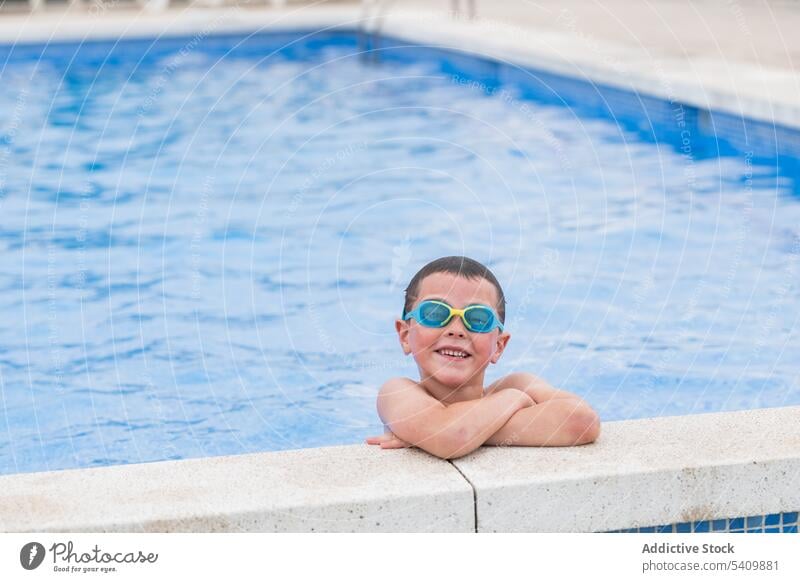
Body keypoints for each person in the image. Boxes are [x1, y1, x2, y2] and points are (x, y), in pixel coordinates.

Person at [366, 256, 600, 460]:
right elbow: (449, 437)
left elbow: (581, 421)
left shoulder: (517, 383)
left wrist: (438, 435)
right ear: (405, 335)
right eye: (436, 314)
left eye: (477, 319)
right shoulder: (396, 392)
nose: (456, 329)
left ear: (499, 346)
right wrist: (514, 400)